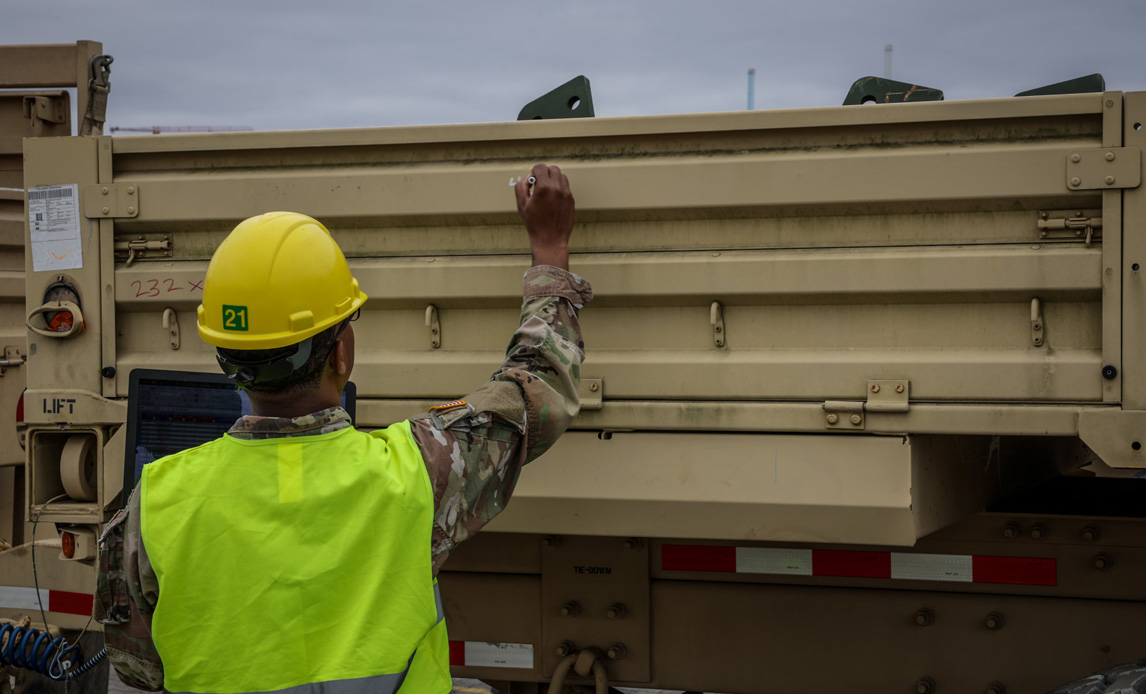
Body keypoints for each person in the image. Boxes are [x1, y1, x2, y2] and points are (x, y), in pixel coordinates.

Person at [95, 164, 590, 694]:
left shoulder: (154, 504)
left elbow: (137, 668)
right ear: (343, 353)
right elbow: (538, 388)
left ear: (225, 359)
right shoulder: (421, 470)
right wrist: (549, 251)